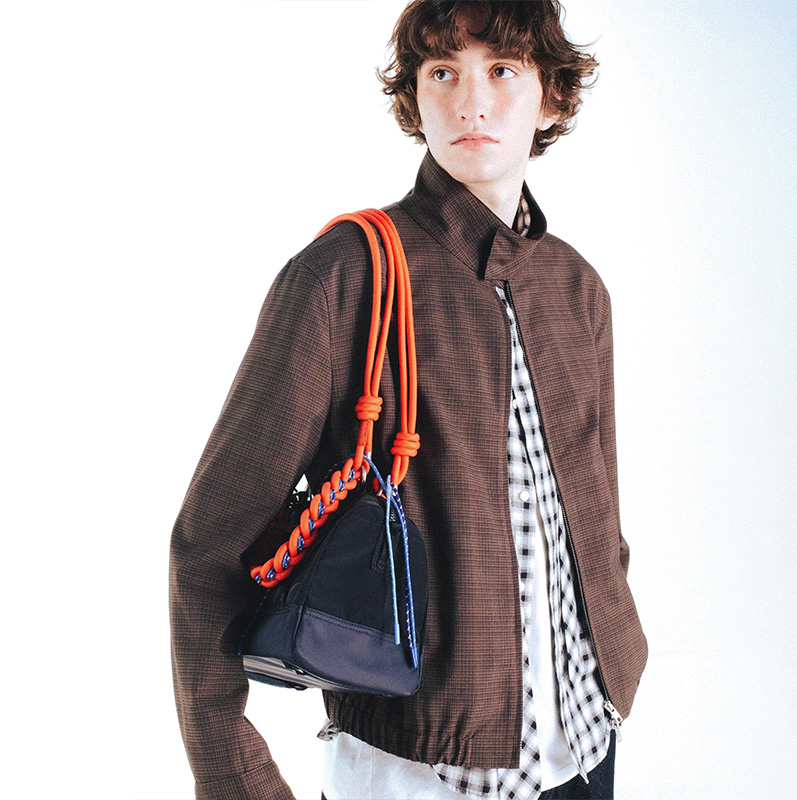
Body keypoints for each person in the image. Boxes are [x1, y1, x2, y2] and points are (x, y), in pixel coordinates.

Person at [169, 2, 647, 799]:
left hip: (586, 747)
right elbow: (208, 547)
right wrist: (236, 779)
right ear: (415, 98)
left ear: (552, 98)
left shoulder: (577, 289)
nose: (472, 102)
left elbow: (602, 520)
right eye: (443, 72)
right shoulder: (343, 275)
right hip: (418, 772)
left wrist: (616, 660)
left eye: (503, 70)